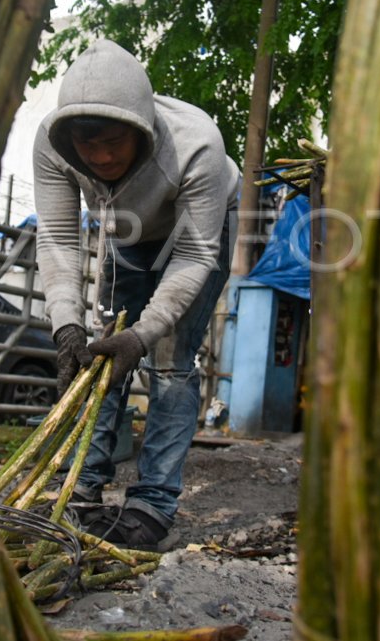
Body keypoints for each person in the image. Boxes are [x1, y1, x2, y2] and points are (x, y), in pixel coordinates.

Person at [33, 39, 240, 550]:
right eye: (88, 146)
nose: (100, 157)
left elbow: (194, 256)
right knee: (101, 356)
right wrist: (66, 325)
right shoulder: (53, 143)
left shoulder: (197, 147)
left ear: (141, 131)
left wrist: (146, 333)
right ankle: (82, 489)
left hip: (196, 236)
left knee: (169, 361)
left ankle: (152, 501)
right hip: (126, 232)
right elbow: (58, 238)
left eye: (113, 144)